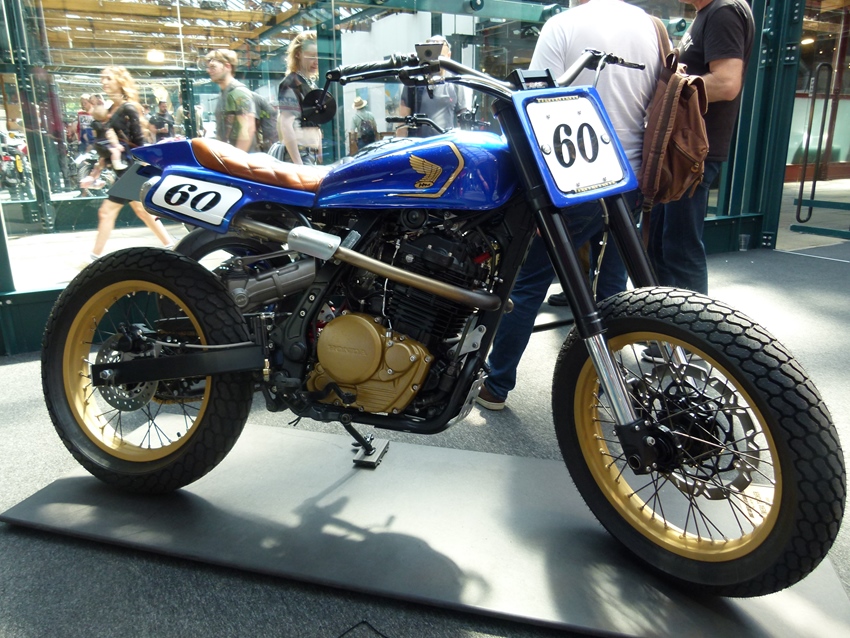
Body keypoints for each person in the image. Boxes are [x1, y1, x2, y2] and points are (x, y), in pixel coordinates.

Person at [476, 0, 662, 411]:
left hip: (570, 179)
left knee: (528, 283)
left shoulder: (563, 25)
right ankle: (607, 387)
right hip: (627, 174)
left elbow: (534, 104)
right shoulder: (650, 27)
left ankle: (497, 384)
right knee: (612, 290)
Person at [647, 0, 755, 295]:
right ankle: (663, 319)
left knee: (680, 249)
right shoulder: (709, 13)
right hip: (685, 149)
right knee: (660, 245)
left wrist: (673, 90)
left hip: (693, 152)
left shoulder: (723, 11)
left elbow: (726, 83)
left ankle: (693, 322)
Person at [85, 65, 174, 263]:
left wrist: (139, 170)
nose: (104, 82)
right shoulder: (112, 110)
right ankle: (171, 246)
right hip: (125, 169)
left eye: (109, 78)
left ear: (120, 81)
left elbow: (139, 142)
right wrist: (98, 169)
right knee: (142, 211)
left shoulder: (128, 108)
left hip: (132, 169)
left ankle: (94, 258)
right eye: (103, 78)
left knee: (106, 212)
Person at [397, 35, 467, 137]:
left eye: (440, 57)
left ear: (448, 55)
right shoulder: (414, 81)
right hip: (420, 143)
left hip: (446, 142)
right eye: (433, 58)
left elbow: (463, 119)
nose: (436, 63)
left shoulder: (455, 82)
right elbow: (403, 120)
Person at [277, 31, 322, 164]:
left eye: (318, 56)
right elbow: (286, 124)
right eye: (311, 56)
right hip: (301, 154)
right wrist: (298, 164)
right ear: (298, 54)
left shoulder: (308, 84)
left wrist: (318, 151)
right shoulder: (291, 83)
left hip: (308, 154)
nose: (316, 61)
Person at [205, 49, 257, 152]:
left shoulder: (238, 92)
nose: (209, 71)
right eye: (208, 67)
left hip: (242, 157)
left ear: (228, 66)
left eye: (213, 67)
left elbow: (248, 129)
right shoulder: (224, 93)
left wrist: (237, 158)